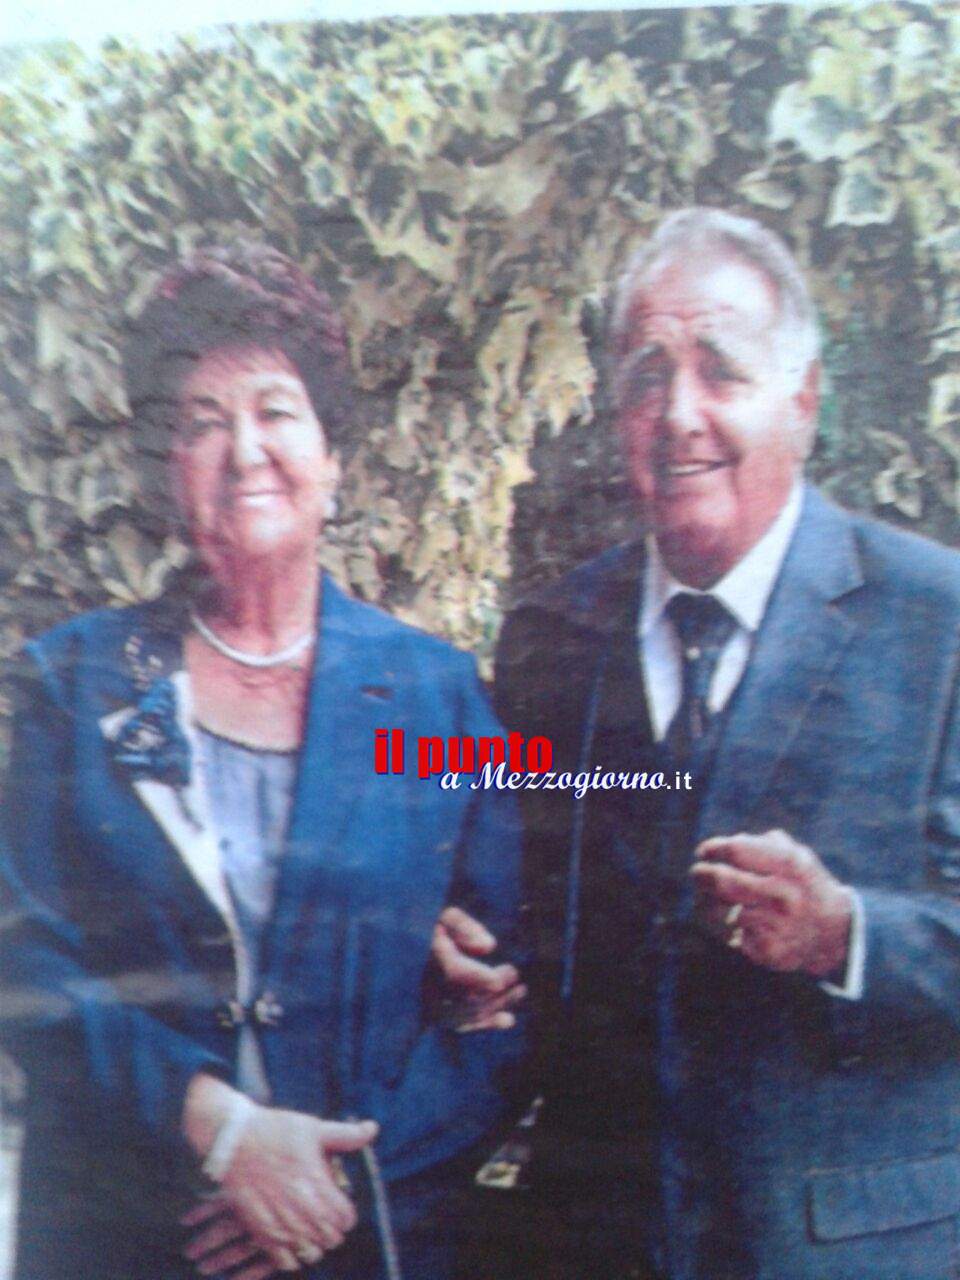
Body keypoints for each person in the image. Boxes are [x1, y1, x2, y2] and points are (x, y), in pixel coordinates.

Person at [0, 242, 524, 1280]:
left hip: (364, 1241)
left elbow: (511, 1001)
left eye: (276, 410)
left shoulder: (438, 696)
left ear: (332, 458)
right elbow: (23, 959)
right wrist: (224, 1132)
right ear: (168, 466)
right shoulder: (73, 684)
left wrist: (330, 1187)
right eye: (202, 421)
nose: (244, 450)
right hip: (130, 1239)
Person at [459, 206, 960, 1279]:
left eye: (720, 370)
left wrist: (849, 936)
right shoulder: (553, 638)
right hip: (597, 1247)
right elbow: (529, 907)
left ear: (804, 398)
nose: (678, 414)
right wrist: (467, 957)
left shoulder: (938, 621)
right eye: (647, 377)